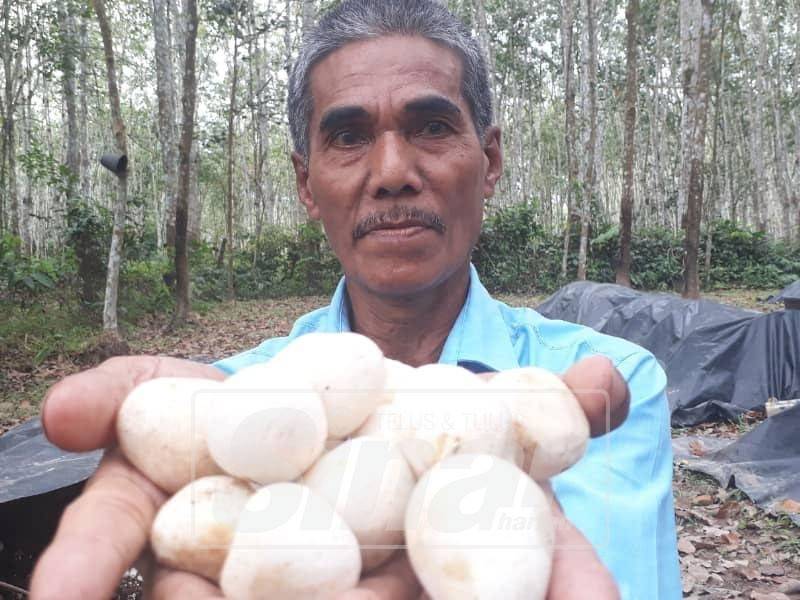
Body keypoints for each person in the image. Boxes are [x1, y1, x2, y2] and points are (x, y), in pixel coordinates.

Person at [30, 1, 680, 598]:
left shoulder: (600, 386)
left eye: (430, 126)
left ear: (489, 161)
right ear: (307, 184)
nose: (393, 172)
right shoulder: (239, 401)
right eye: (349, 136)